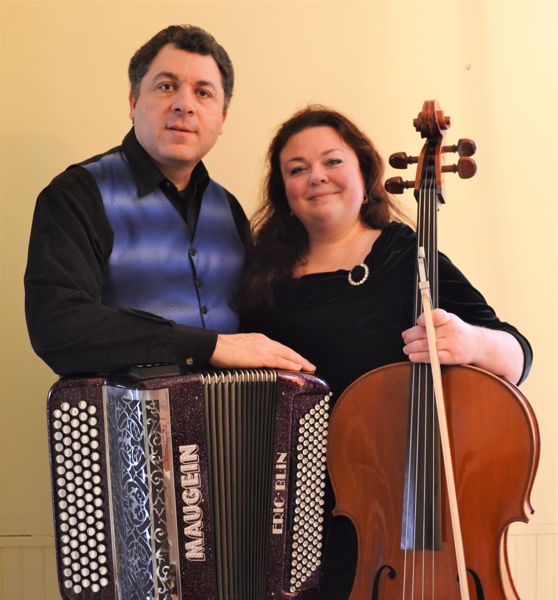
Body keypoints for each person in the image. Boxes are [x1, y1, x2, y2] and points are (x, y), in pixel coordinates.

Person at [239, 105, 532, 598]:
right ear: (283, 191)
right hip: (287, 516)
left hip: (398, 509)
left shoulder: (402, 254)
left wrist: (470, 340)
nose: (316, 177)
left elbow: (517, 354)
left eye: (332, 161)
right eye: (297, 169)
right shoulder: (262, 277)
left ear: (363, 171)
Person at [24, 24, 314, 376]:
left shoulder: (229, 210)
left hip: (231, 427)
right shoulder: (77, 194)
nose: (184, 105)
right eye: (166, 87)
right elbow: (57, 325)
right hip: (121, 426)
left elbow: (258, 321)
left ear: (222, 118)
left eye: (203, 93)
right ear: (133, 102)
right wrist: (208, 346)